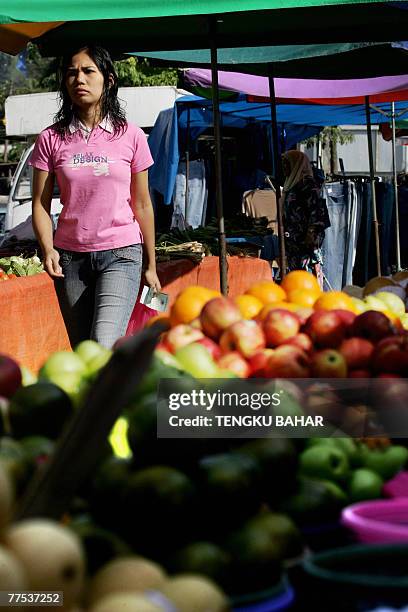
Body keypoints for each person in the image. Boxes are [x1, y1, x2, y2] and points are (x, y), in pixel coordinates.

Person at [30, 45, 161, 349]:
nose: (79, 79)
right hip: (70, 259)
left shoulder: (131, 135)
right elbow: (40, 202)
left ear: (109, 80)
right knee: (84, 350)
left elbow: (142, 203)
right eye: (72, 73)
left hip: (122, 253)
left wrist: (151, 263)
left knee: (102, 342)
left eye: (89, 71)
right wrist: (47, 248)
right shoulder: (50, 138)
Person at [281, 150, 330, 277]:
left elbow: (317, 211)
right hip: (293, 244)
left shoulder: (307, 185)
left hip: (305, 243)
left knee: (306, 279)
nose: (284, 167)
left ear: (296, 165)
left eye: (287, 164)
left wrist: (311, 233)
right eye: (283, 164)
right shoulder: (292, 184)